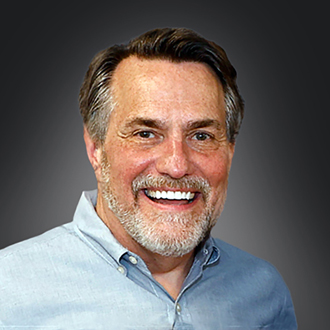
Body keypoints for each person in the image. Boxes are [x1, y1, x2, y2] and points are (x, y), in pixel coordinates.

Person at [0, 28, 297, 329]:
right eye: (145, 134)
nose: (177, 165)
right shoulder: (9, 289)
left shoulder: (265, 293)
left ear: (230, 152)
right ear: (95, 149)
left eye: (201, 136)